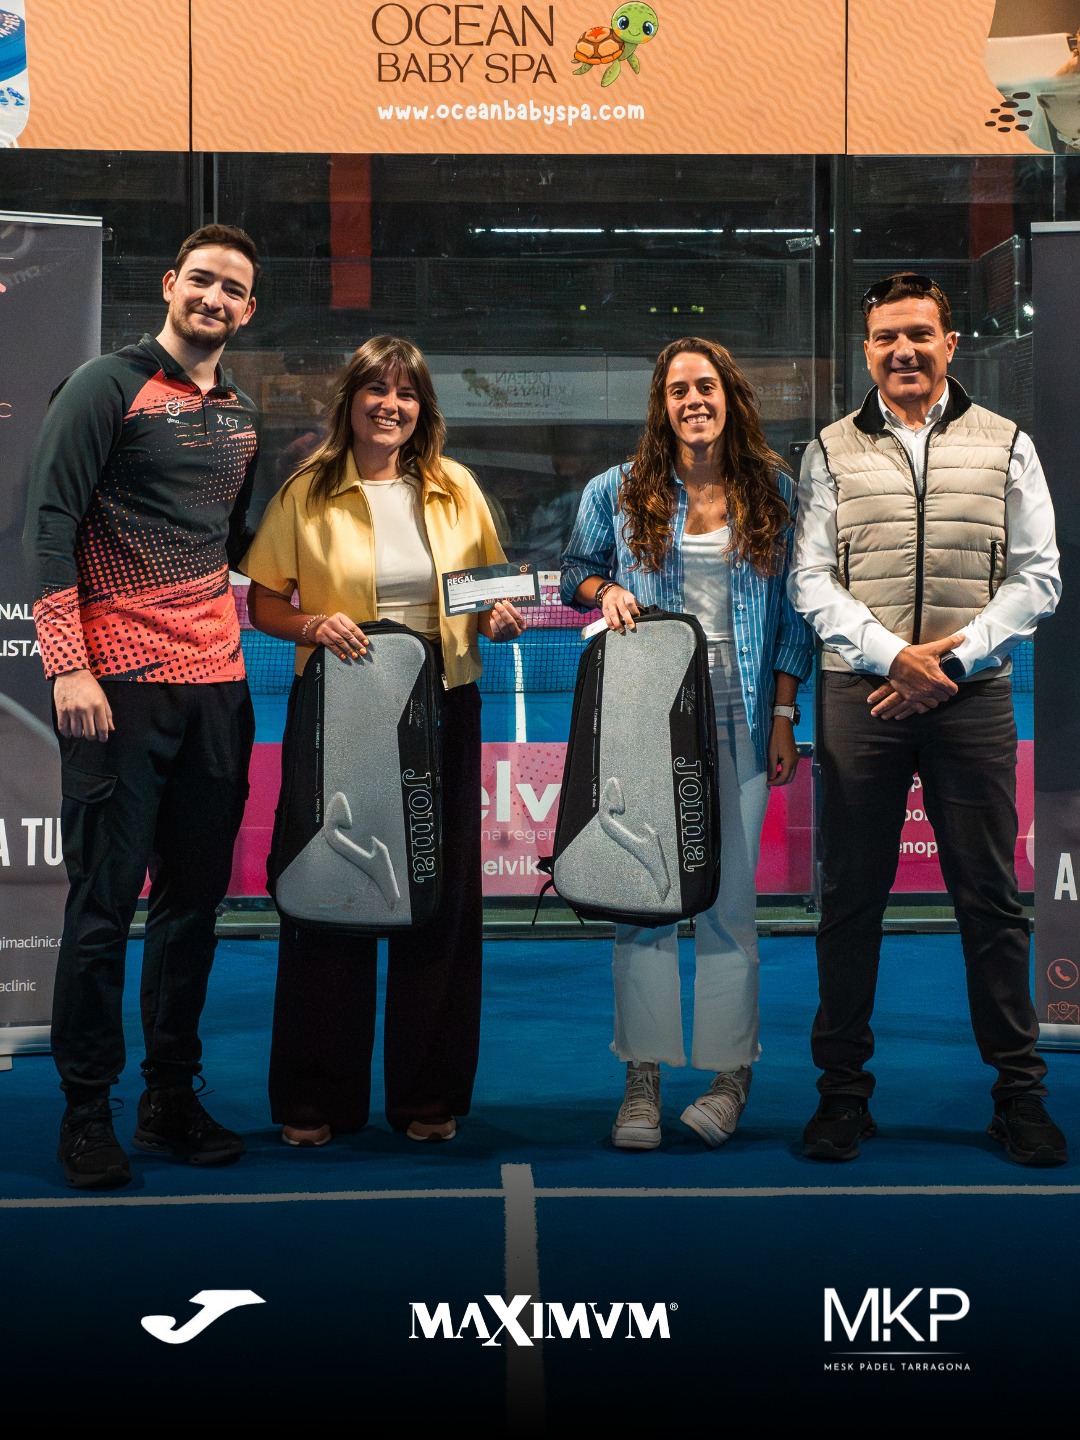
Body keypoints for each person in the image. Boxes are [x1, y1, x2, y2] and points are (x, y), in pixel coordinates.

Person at [789, 271, 1066, 1166]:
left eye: (919, 335)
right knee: (849, 902)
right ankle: (842, 1097)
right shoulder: (828, 451)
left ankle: (1019, 1096)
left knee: (991, 902)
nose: (902, 351)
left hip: (970, 695)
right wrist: (889, 655)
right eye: (885, 339)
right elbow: (809, 580)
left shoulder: (1008, 442)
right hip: (856, 694)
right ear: (866, 350)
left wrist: (947, 659)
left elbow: (1039, 575)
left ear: (951, 343)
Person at [242, 335, 525, 1148]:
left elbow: (491, 594)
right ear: (352, 400)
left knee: (439, 899)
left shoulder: (455, 486)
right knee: (331, 887)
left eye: (405, 392)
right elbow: (265, 604)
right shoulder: (307, 489)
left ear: (421, 407)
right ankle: (314, 1097)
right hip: (341, 709)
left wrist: (500, 618)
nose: (390, 405)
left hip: (444, 705)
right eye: (376, 390)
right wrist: (311, 623)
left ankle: (427, 1096)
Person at [24, 224, 261, 1188]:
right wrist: (67, 668)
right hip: (115, 687)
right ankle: (87, 1110)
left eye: (232, 289)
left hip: (218, 690)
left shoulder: (241, 415)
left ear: (249, 311)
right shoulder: (104, 387)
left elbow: (231, 547)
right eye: (199, 279)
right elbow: (47, 527)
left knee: (194, 909)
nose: (212, 297)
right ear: (169, 285)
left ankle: (170, 1095)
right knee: (101, 909)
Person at [561, 337, 814, 1150]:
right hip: (643, 722)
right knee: (643, 908)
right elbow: (575, 571)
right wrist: (609, 592)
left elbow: (796, 620)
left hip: (739, 724)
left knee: (728, 911)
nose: (692, 400)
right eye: (677, 389)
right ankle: (643, 1077)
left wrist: (783, 716)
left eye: (705, 386)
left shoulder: (775, 491)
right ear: (661, 403)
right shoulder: (618, 489)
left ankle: (729, 1075)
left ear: (730, 396)